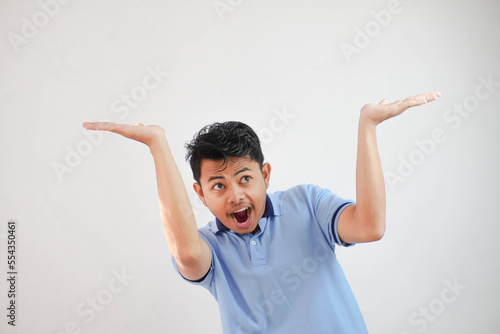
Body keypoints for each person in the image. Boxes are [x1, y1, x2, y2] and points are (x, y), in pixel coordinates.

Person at [82, 91, 441, 333]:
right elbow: (187, 252)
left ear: (265, 175)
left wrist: (368, 126)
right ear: (201, 195)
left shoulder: (308, 205)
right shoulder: (210, 247)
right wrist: (157, 145)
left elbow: (369, 225)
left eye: (244, 178)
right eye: (218, 185)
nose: (235, 195)